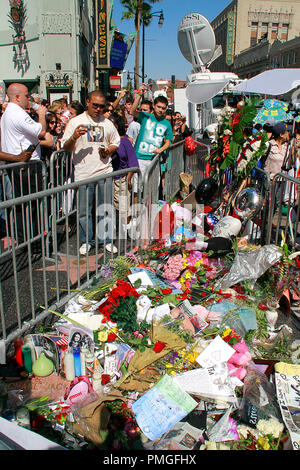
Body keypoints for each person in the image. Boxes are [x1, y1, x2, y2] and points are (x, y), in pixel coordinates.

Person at [61, 90, 120, 255]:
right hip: (83, 174)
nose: (98, 109)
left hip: (104, 172)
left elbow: (116, 142)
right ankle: (87, 240)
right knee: (84, 210)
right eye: (95, 105)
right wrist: (74, 137)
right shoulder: (75, 122)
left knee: (105, 208)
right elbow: (65, 148)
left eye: (101, 106)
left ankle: (106, 240)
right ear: (87, 102)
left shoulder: (107, 123)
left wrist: (108, 150)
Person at [0, 83, 47, 242]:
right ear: (17, 96)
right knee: (30, 205)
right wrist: (41, 114)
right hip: (26, 166)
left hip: (21, 166)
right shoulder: (17, 113)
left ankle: (27, 238)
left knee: (24, 205)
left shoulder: (10, 113)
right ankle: (31, 240)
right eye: (27, 96)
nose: (29, 99)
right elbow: (41, 132)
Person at [130, 85, 173, 184]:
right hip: (140, 157)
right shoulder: (146, 116)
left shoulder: (167, 124)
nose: (160, 110)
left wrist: (160, 150)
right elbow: (132, 111)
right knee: (137, 188)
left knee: (151, 188)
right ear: (153, 106)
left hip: (153, 159)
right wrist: (140, 94)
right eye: (158, 107)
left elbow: (168, 142)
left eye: (163, 108)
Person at [109, 112, 139, 237]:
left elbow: (133, 163)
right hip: (110, 178)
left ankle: (126, 232)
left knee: (123, 206)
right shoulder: (109, 141)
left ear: (116, 125)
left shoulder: (125, 142)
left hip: (122, 179)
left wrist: (129, 179)